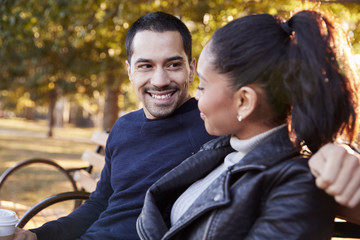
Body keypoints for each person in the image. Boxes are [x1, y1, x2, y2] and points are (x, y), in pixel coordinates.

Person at [14, 11, 360, 240]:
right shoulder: (130, 128)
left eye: (174, 65)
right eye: (146, 65)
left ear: (191, 67)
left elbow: (281, 143)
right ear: (129, 70)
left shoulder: (214, 126)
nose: (161, 80)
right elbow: (100, 204)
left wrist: (339, 150)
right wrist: (38, 236)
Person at [137, 10, 359, 240]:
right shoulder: (225, 151)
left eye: (202, 85)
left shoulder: (294, 184)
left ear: (244, 101)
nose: (196, 96)